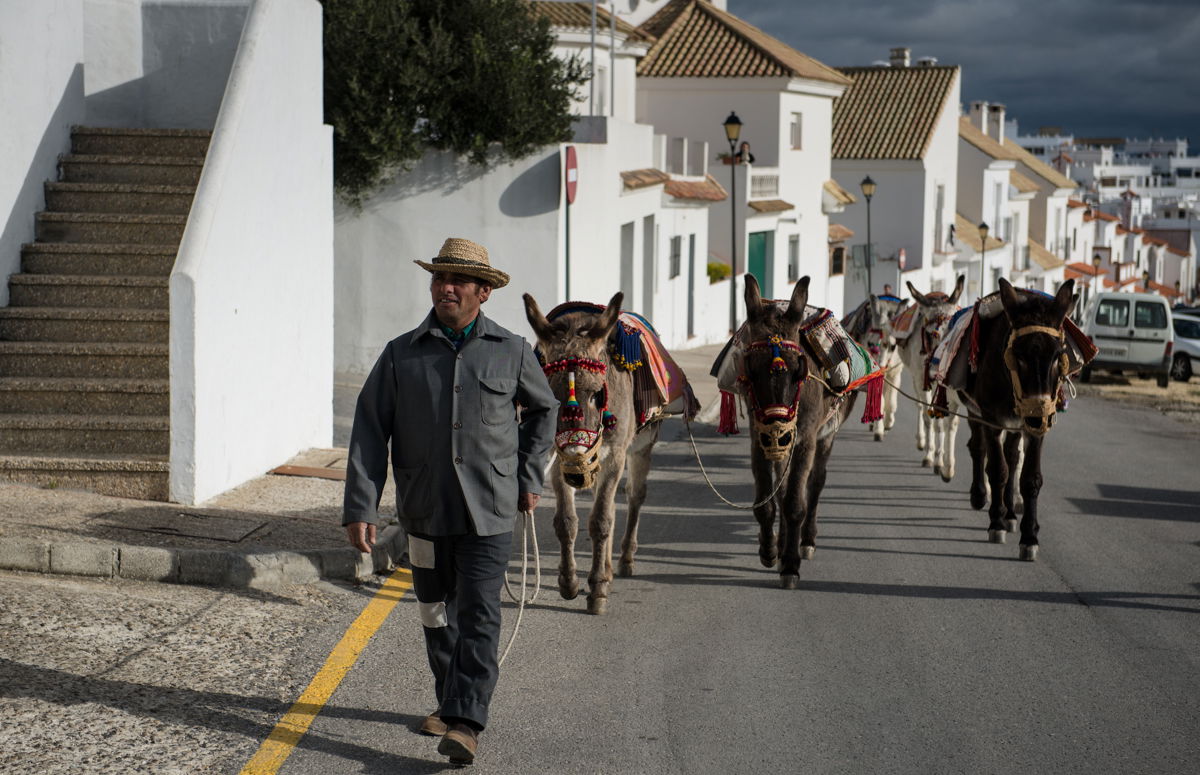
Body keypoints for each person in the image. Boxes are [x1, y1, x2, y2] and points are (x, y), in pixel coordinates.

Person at [343, 237, 557, 766]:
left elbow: (545, 411)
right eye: (440, 278)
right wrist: (360, 506)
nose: (447, 287)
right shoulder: (401, 353)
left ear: (483, 292)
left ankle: (464, 722)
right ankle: (449, 699)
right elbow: (371, 430)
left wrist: (528, 474)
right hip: (424, 509)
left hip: (490, 510)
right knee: (437, 613)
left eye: (459, 280)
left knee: (480, 614)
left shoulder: (512, 350)